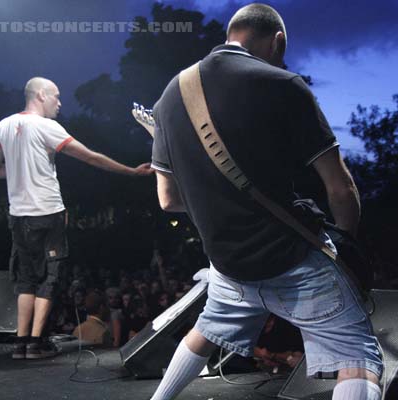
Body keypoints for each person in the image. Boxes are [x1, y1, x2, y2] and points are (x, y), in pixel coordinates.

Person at [148, 4, 382, 400]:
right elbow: (340, 189)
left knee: (208, 328)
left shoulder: (169, 96)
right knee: (356, 355)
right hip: (291, 258)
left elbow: (168, 200)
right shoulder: (283, 83)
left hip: (229, 264)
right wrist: (344, 247)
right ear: (278, 41)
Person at [0, 77, 153, 359]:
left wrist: (19, 171)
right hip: (48, 213)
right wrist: (131, 172)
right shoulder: (47, 126)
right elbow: (90, 158)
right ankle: (36, 344)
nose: (60, 103)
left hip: (18, 216)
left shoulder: (3, 125)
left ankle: (21, 344)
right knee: (49, 278)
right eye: (56, 97)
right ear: (40, 95)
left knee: (26, 280)